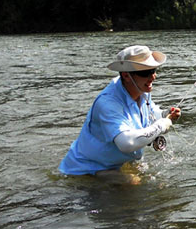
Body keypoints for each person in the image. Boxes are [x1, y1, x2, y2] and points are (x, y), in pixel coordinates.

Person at [60, 45, 181, 184]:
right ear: (126, 75)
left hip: (116, 164)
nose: (153, 77)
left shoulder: (142, 89)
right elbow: (127, 143)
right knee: (134, 183)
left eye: (153, 70)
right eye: (145, 73)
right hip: (86, 171)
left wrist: (165, 115)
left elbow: (151, 113)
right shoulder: (107, 104)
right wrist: (161, 126)